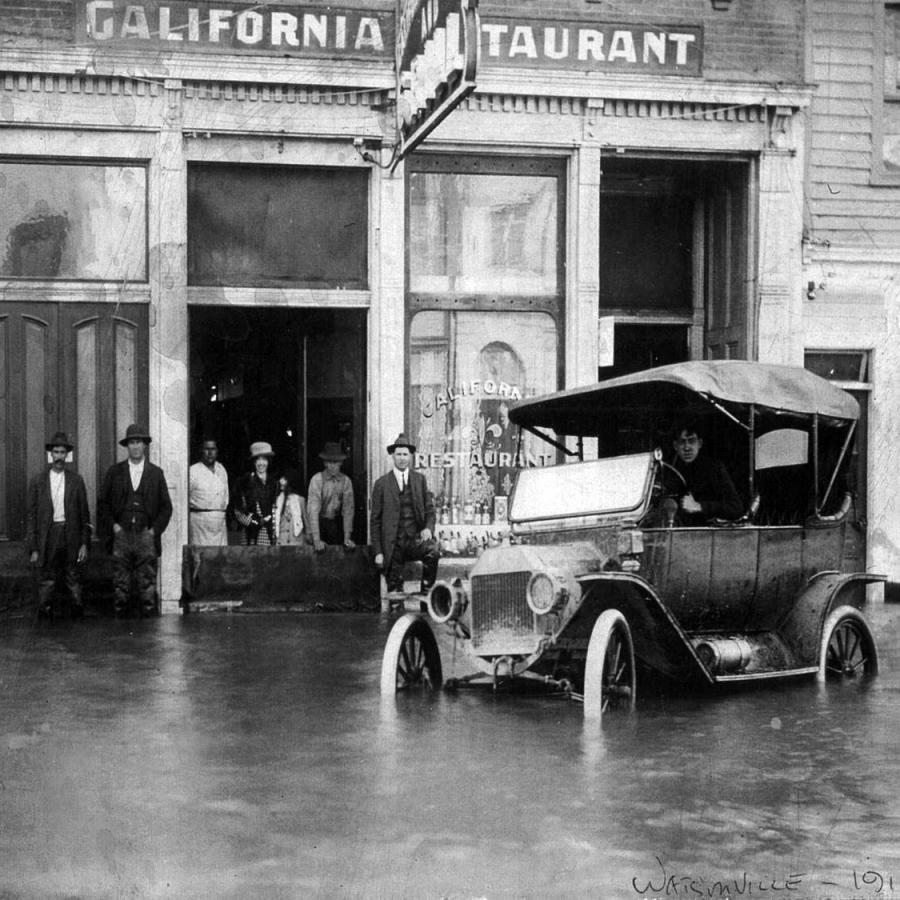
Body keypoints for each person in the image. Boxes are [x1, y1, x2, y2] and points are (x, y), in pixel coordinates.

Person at [98, 423, 173, 617]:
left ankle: (148, 628)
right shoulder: (115, 472)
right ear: (127, 446)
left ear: (145, 445)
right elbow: (102, 504)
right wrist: (114, 527)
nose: (136, 446)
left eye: (139, 442)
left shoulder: (156, 474)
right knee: (120, 585)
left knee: (147, 585)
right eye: (132, 442)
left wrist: (153, 532)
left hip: (145, 536)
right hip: (122, 536)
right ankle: (120, 629)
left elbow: (166, 507)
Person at [26, 431, 92, 620]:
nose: (59, 457)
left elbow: (84, 515)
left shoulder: (76, 481)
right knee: (47, 578)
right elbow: (31, 517)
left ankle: (77, 616)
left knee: (73, 577)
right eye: (56, 452)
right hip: (49, 535)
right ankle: (44, 616)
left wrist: (84, 544)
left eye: (63, 452)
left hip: (70, 534)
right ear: (50, 454)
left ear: (67, 455)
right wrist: (34, 548)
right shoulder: (38, 482)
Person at [370, 432, 439, 596]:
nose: (402, 458)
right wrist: (378, 552)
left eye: (405, 454)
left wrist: (428, 528)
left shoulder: (419, 480)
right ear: (393, 456)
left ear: (410, 456)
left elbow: (430, 510)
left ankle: (426, 595)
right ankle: (394, 609)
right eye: (399, 454)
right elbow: (375, 522)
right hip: (393, 545)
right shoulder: (381, 484)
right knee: (395, 594)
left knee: (433, 551)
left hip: (415, 540)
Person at [665, 420, 743, 525]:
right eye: (682, 442)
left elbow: (736, 508)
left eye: (691, 441)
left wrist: (700, 506)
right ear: (675, 446)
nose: (687, 447)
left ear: (700, 443)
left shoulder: (715, 469)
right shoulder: (669, 471)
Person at [307, 442, 356, 551]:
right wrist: (316, 540)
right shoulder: (317, 480)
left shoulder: (346, 481)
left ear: (341, 463)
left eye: (336, 462)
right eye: (330, 462)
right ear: (325, 463)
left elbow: (348, 510)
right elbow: (313, 510)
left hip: (336, 525)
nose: (333, 466)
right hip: (319, 524)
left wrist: (347, 538)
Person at [233, 441, 278, 545]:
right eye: (258, 459)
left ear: (269, 461)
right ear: (253, 462)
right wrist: (254, 523)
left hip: (271, 536)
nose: (261, 463)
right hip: (251, 536)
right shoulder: (245, 481)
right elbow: (238, 511)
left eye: (264, 459)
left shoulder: (274, 483)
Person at [188, 438, 229, 546]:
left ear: (217, 451)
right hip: (199, 523)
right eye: (207, 449)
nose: (210, 453)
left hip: (219, 522)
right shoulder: (193, 471)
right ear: (201, 450)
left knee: (219, 557)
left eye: (213, 449)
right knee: (201, 557)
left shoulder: (221, 469)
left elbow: (226, 496)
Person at [275, 470, 310, 546]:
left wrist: (308, 535)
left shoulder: (300, 500)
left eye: (284, 479)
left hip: (297, 540)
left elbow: (306, 520)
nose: (281, 481)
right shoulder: (277, 500)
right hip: (282, 541)